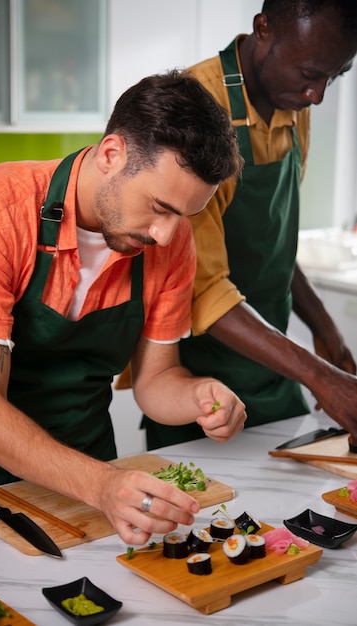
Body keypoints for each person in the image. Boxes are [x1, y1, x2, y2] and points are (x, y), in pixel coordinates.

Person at [0, 70, 246, 544]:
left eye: (182, 216)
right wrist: (102, 484)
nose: (165, 235)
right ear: (111, 154)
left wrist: (203, 394)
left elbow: (155, 382)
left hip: (95, 477)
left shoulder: (172, 240)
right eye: (159, 207)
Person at [137, 0, 357, 451]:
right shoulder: (196, 109)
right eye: (310, 74)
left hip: (275, 369)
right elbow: (202, 287)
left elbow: (272, 248)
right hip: (201, 378)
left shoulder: (293, 102)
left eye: (333, 77)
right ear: (264, 29)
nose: (317, 95)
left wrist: (325, 330)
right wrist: (319, 375)